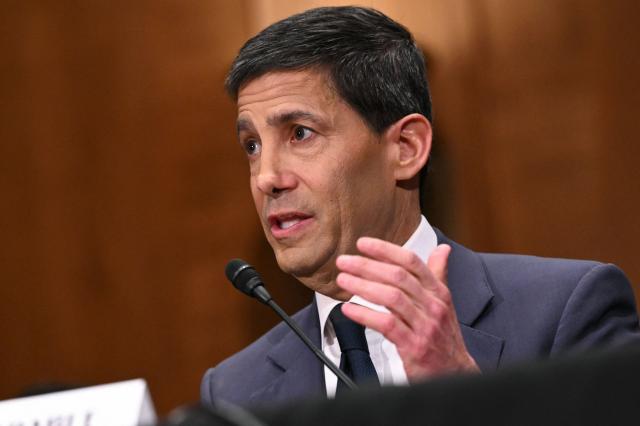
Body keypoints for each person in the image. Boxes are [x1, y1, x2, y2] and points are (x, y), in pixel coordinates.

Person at [201, 6, 640, 408]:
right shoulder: (234, 390)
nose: (266, 178)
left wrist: (466, 395)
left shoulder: (567, 311)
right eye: (252, 145)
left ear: (406, 148)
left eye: (300, 133)